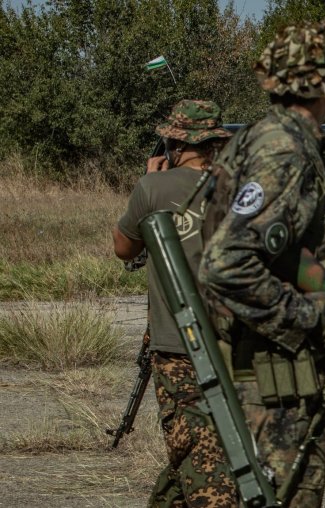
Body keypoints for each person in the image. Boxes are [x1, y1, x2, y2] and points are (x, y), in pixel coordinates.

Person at [197, 22, 325, 506]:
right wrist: (314, 319)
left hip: (261, 373)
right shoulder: (285, 151)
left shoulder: (262, 136)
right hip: (272, 387)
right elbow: (225, 262)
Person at [112, 100, 237, 507]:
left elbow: (123, 248)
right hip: (236, 342)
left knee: (198, 452)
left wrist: (148, 183)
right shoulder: (239, 186)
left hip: (177, 345)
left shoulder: (154, 187)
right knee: (206, 447)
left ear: (175, 142)